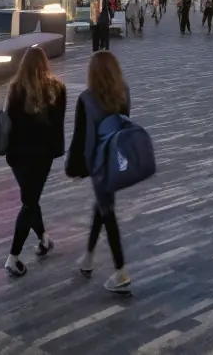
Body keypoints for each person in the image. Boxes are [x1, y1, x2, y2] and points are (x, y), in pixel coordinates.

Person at [65, 50, 133, 293]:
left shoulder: (86, 99)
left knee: (108, 211)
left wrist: (74, 169)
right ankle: (88, 258)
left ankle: (121, 272)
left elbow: (80, 138)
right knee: (103, 205)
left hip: (97, 163)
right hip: (118, 158)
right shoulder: (123, 92)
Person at [3, 46, 66, 276]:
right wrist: (58, 151)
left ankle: (43, 238)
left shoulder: (15, 89)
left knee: (31, 198)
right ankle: (13, 257)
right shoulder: (58, 89)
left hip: (18, 157)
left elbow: (8, 123)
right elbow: (58, 126)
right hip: (42, 156)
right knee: (30, 202)